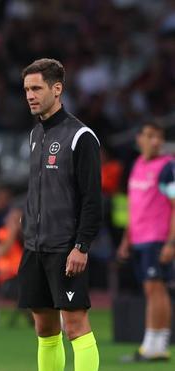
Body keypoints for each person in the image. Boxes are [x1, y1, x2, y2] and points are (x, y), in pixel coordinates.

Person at [19, 58, 102, 371]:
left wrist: (81, 246)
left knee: (76, 326)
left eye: (37, 88)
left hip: (65, 249)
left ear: (57, 89)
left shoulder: (81, 137)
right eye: (27, 89)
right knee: (44, 329)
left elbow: (92, 200)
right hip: (34, 247)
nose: (30, 95)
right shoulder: (35, 135)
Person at [118, 122, 174, 362]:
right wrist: (126, 239)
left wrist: (171, 243)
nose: (155, 141)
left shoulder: (167, 167)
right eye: (150, 136)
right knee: (150, 290)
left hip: (157, 238)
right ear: (139, 138)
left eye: (159, 137)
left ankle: (156, 346)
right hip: (139, 238)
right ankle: (153, 346)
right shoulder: (138, 165)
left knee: (156, 289)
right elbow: (135, 206)